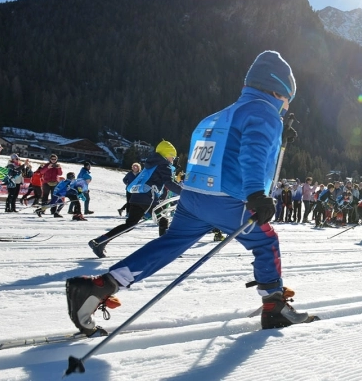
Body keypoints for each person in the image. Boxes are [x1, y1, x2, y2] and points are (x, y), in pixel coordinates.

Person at [66, 51, 314, 337]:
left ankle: (101, 286)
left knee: (170, 244)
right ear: (278, 90)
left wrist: (278, 139)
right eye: (287, 99)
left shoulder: (216, 116)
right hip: (229, 199)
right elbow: (253, 153)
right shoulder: (265, 112)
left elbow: (223, 150)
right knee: (266, 240)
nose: (285, 108)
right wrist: (257, 193)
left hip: (193, 198)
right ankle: (275, 305)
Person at [87, 141, 183, 258]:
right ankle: (165, 250)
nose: (173, 160)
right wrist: (185, 193)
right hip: (149, 198)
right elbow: (169, 183)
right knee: (163, 221)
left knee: (130, 224)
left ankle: (100, 242)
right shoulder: (164, 165)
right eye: (172, 157)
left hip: (137, 197)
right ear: (167, 155)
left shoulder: (150, 163)